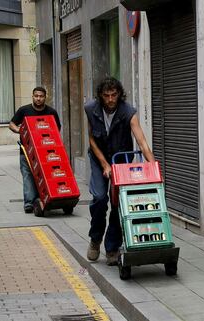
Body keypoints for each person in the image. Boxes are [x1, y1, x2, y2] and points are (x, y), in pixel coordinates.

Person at [85, 77, 155, 266]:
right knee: (100, 198)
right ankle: (95, 238)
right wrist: (104, 164)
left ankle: (112, 248)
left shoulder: (128, 112)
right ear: (100, 95)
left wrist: (153, 166)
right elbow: (91, 139)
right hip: (99, 158)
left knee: (118, 203)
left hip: (122, 159)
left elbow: (142, 141)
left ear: (119, 94)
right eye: (106, 95)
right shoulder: (91, 109)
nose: (110, 99)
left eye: (114, 95)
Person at [9, 87, 61, 213]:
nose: (38, 98)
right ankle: (29, 203)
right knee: (27, 175)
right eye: (36, 96)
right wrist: (20, 131)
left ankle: (44, 197)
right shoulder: (24, 110)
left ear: (45, 97)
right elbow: (12, 124)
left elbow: (57, 129)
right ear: (32, 96)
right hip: (26, 151)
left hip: (45, 151)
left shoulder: (51, 112)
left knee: (43, 175)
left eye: (41, 96)